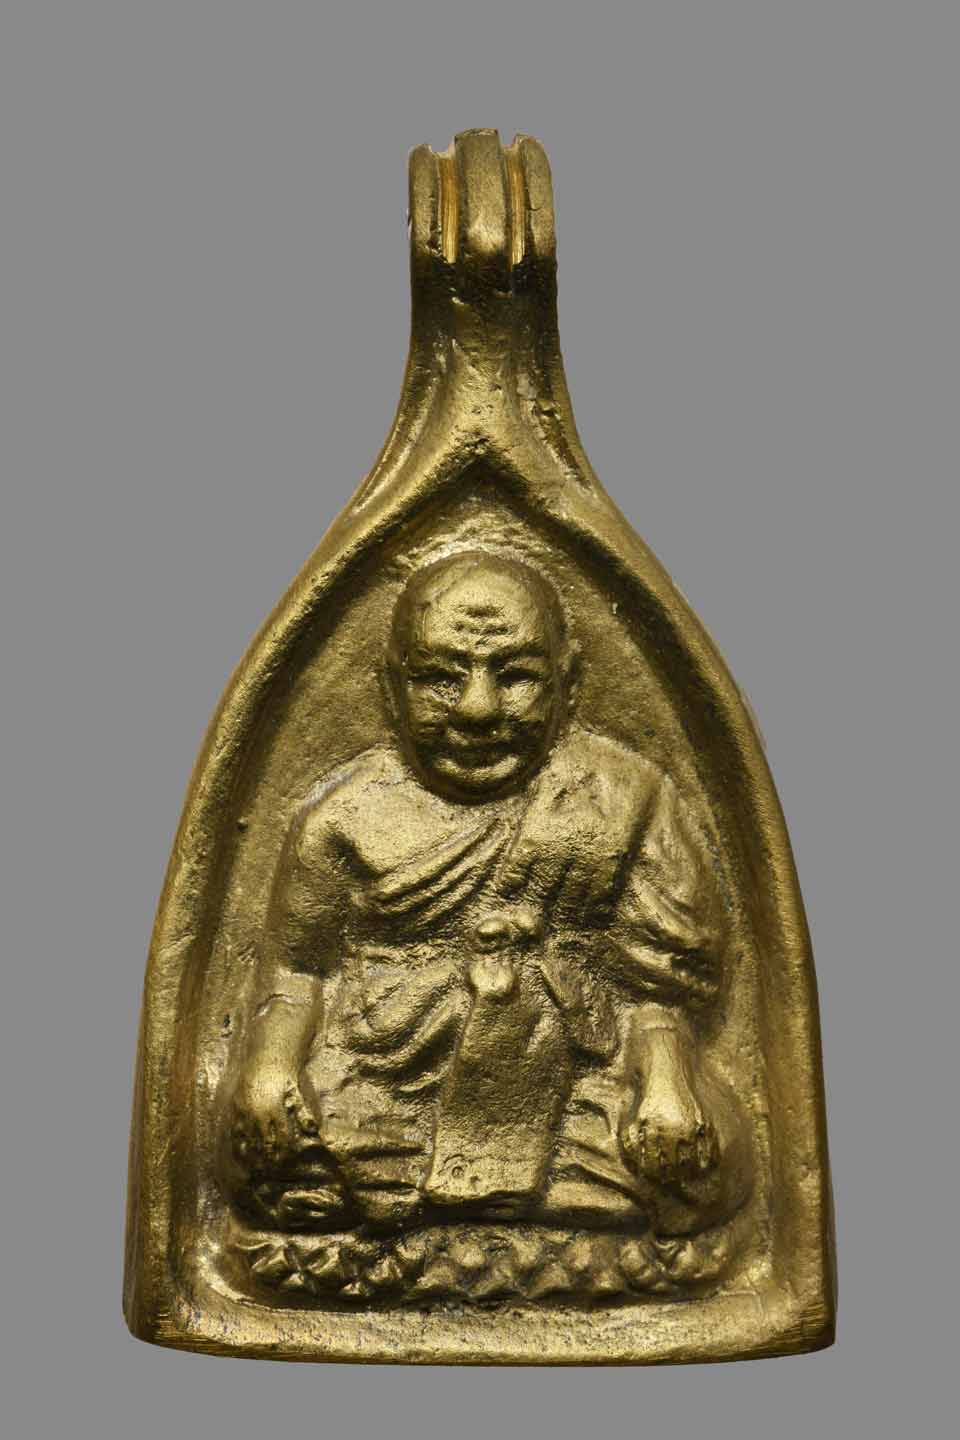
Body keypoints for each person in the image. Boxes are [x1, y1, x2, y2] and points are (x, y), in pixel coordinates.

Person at [220, 550, 750, 1236]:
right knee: (255, 1153)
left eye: (516, 676)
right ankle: (530, 1224)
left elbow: (662, 987)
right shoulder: (343, 816)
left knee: (705, 1163)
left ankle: (437, 1217)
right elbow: (297, 972)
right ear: (390, 687)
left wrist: (667, 1085)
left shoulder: (624, 799)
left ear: (567, 684)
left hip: (576, 1083)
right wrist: (270, 1068)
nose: (478, 709)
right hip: (389, 1086)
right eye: (441, 678)